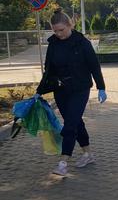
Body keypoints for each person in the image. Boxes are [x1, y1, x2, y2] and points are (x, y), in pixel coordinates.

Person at [36, 9, 107, 176]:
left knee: (69, 125)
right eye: (55, 31)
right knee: (75, 122)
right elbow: (48, 69)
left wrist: (101, 87)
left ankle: (63, 162)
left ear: (70, 25)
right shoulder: (53, 44)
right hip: (60, 90)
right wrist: (39, 91)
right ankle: (88, 153)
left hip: (80, 88)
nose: (59, 34)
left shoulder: (82, 43)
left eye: (62, 30)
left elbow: (94, 66)